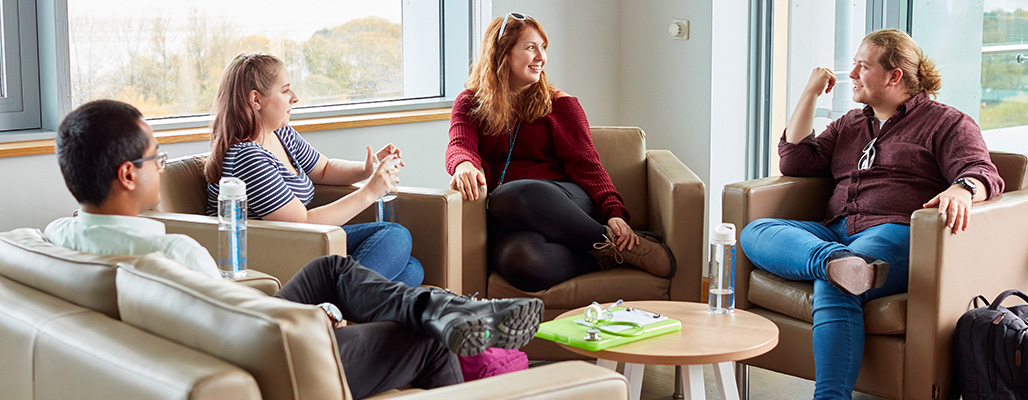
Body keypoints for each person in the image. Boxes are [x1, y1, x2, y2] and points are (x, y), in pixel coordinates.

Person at [45, 99, 544, 399]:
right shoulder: (172, 254)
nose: (161, 165)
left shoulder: (54, 242)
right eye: (156, 157)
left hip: (234, 335)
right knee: (424, 337)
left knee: (331, 269)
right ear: (127, 173)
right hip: (266, 359)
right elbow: (238, 328)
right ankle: (443, 319)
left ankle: (445, 309)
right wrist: (309, 323)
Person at [739, 29, 1004, 399]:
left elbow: (982, 170)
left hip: (895, 232)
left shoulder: (946, 122)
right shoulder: (851, 123)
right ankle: (834, 260)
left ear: (894, 76)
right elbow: (795, 160)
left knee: (839, 282)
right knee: (755, 231)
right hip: (835, 231)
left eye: (862, 66)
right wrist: (810, 93)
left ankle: (830, 391)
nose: (852, 75)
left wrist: (962, 189)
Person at [445, 12, 676, 292]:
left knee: (515, 193)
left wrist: (615, 212)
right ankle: (607, 256)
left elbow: (588, 165)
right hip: (510, 213)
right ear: (502, 53)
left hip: (564, 200)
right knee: (519, 261)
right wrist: (463, 165)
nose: (541, 56)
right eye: (531, 47)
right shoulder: (470, 103)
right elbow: (460, 145)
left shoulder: (560, 104)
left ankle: (608, 239)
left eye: (543, 47)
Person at [203, 53, 422, 287]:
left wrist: (366, 169)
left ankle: (348, 299)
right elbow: (302, 224)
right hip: (282, 256)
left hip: (306, 245)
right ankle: (338, 299)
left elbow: (325, 168)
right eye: (286, 90)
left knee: (412, 270)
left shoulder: (280, 133)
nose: (295, 98)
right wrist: (369, 192)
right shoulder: (247, 156)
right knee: (396, 237)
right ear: (256, 100)